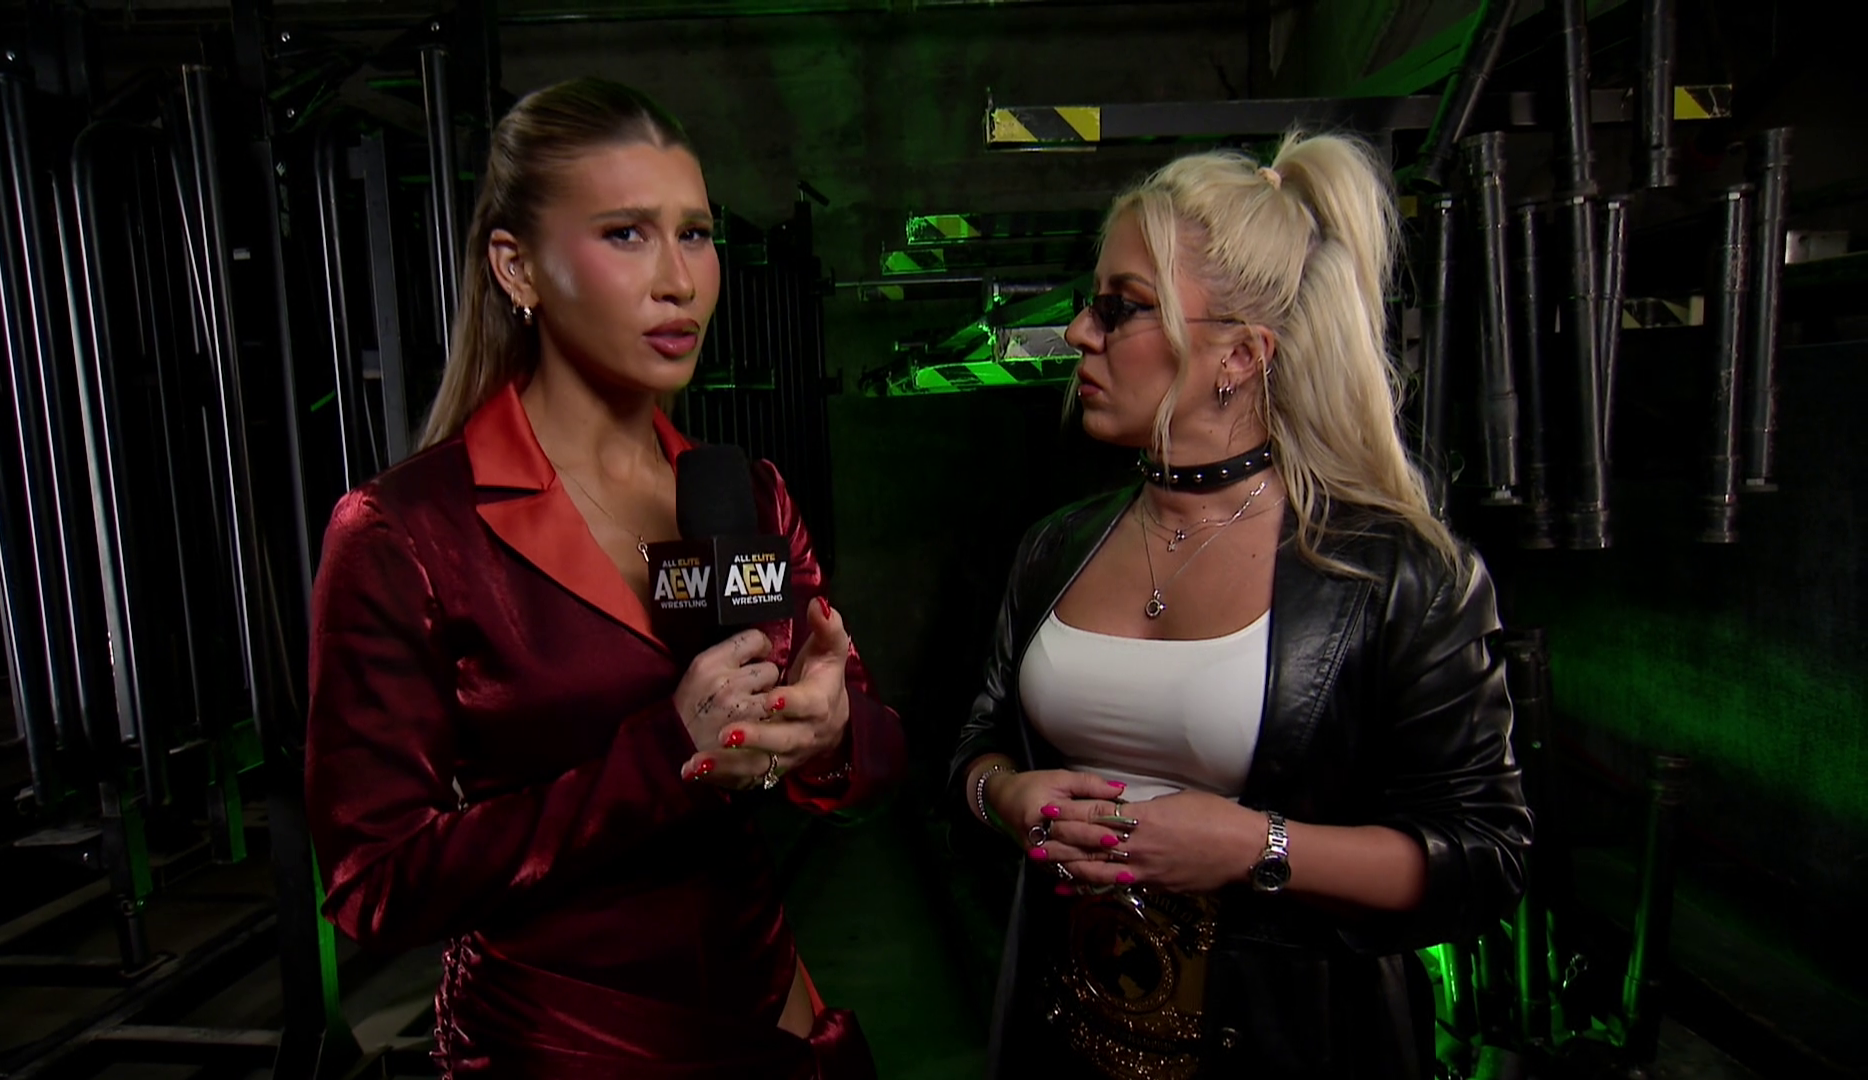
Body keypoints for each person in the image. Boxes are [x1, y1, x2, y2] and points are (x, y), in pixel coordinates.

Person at [305, 78, 904, 1078]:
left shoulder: (745, 491)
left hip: (773, 1019)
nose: (679, 281)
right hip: (563, 1045)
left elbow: (877, 755)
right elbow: (377, 884)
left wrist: (832, 734)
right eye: (626, 234)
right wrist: (665, 756)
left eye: (695, 235)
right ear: (518, 267)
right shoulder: (406, 532)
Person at [951, 134, 1532, 1079]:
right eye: (1091, 303)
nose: (1081, 334)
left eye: (1122, 307)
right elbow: (975, 742)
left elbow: (1484, 854)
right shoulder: (1055, 547)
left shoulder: (1395, 574)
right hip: (1062, 1036)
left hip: (1286, 1045)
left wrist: (1259, 847)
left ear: (1240, 354)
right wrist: (1005, 796)